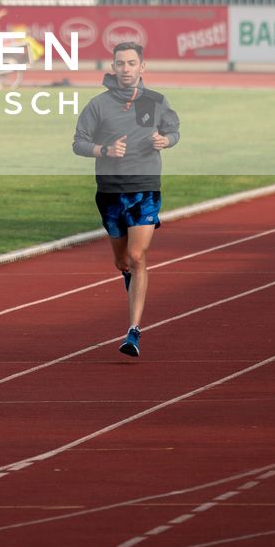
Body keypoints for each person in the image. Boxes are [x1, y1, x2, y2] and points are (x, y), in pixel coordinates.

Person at [71, 40, 180, 358]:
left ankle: (133, 331)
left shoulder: (157, 101)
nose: (126, 69)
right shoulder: (98, 106)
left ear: (142, 67)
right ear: (113, 67)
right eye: (120, 63)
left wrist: (165, 140)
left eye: (132, 63)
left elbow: (174, 131)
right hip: (109, 191)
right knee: (122, 262)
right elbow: (78, 143)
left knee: (136, 255)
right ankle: (133, 285)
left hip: (145, 187)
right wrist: (103, 150)